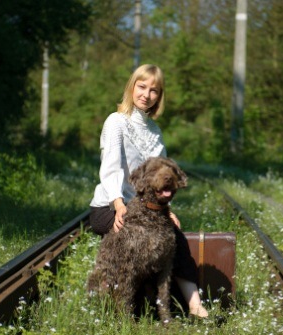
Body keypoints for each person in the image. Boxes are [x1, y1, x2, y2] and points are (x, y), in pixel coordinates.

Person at [88, 64, 208, 318]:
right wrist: (119, 205)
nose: (146, 94)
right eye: (142, 86)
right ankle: (123, 305)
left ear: (159, 96)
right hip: (110, 205)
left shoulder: (155, 132)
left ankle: (194, 303)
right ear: (132, 87)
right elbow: (109, 169)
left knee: (174, 235)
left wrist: (168, 211)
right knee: (137, 239)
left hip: (148, 208)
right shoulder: (116, 122)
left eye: (154, 90)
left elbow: (162, 180)